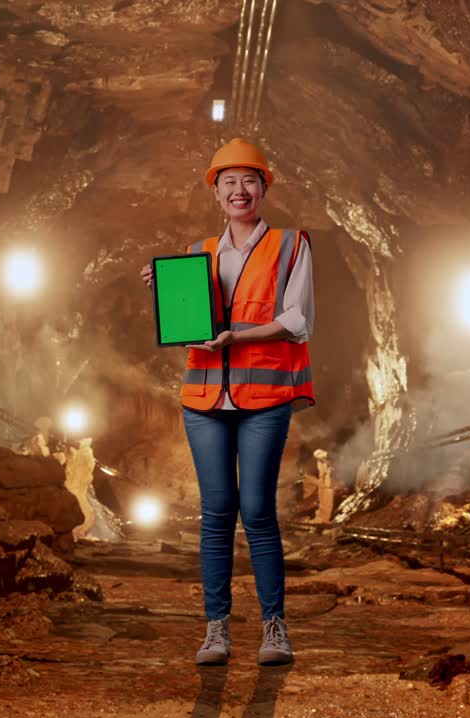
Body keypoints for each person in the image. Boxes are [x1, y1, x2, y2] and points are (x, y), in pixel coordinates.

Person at [140, 138, 314, 667]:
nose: (240, 191)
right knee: (216, 513)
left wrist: (236, 339)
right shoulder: (196, 254)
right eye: (229, 182)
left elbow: (297, 318)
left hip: (263, 398)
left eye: (249, 181)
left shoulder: (290, 245)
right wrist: (160, 290)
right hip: (204, 398)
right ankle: (216, 630)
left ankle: (274, 629)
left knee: (258, 512)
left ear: (264, 188)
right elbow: (189, 319)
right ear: (216, 192)